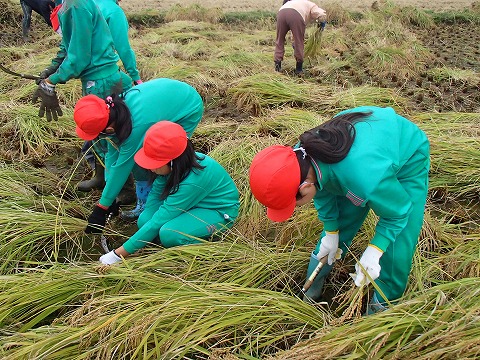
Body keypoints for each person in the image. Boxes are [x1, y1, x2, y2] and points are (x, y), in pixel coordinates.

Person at [249, 106, 430, 314]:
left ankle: (380, 312)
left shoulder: (363, 178)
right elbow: (323, 189)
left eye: (293, 204)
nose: (295, 208)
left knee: (397, 247)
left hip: (406, 153)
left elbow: (398, 212)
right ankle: (310, 294)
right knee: (340, 227)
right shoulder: (299, 157)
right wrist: (331, 230)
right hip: (362, 151)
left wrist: (376, 249)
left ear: (304, 188)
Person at [98, 121, 240, 265]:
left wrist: (118, 254)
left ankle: (202, 245)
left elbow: (159, 219)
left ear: (173, 161)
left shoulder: (193, 180)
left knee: (169, 234)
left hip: (218, 212)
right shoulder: (175, 166)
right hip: (191, 204)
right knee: (144, 219)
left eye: (154, 163)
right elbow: (154, 200)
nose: (151, 168)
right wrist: (148, 225)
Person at [73, 78, 205, 231]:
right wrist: (112, 197)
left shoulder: (136, 125)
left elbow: (123, 165)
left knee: (162, 155)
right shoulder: (114, 114)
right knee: (139, 156)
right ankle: (146, 198)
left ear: (108, 128)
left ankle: (166, 201)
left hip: (186, 107)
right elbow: (112, 155)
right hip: (165, 101)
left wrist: (101, 207)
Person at [274, 0, 326, 74]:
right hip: (296, 15)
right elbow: (320, 14)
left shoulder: (290, 3)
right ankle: (299, 69)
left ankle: (277, 68)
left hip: (281, 13)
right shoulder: (311, 5)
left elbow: (293, 33)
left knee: (279, 40)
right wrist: (322, 22)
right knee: (299, 41)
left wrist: (293, 43)